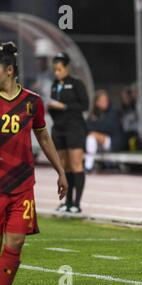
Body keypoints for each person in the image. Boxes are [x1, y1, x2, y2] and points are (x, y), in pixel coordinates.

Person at [0, 42, 67, 285]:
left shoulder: (32, 102)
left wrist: (60, 171)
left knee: (16, 241)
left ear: (9, 70)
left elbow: (44, 138)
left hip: (22, 186)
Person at [48, 52, 89, 213]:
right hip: (59, 129)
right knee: (63, 166)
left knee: (76, 164)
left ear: (66, 68)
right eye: (55, 70)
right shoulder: (54, 85)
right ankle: (67, 201)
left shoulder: (76, 84)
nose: (57, 73)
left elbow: (84, 105)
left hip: (74, 128)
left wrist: (63, 106)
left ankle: (76, 204)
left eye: (59, 69)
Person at [85, 90, 124, 172]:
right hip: (99, 143)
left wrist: (95, 126)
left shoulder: (113, 111)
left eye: (106, 100)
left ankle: (88, 166)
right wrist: (96, 127)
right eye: (102, 101)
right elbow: (87, 127)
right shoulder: (94, 113)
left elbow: (106, 127)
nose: (104, 102)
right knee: (91, 137)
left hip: (113, 142)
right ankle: (88, 166)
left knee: (93, 135)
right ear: (96, 103)